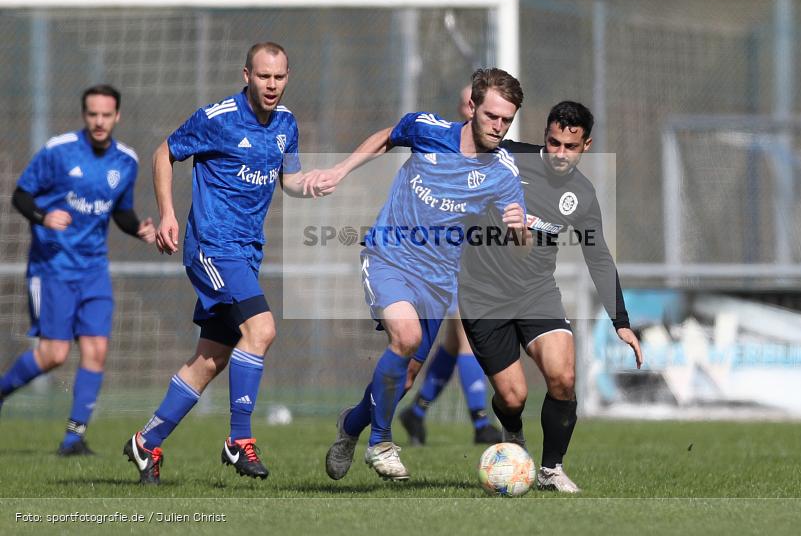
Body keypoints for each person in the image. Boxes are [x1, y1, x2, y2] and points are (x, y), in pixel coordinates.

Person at [310, 68, 528, 482]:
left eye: (507, 120)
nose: (498, 127)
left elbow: (522, 244)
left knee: (407, 376)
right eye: (491, 116)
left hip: (439, 280)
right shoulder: (429, 129)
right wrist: (340, 170)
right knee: (406, 337)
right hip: (389, 256)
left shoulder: (503, 171)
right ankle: (380, 442)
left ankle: (351, 425)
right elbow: (388, 136)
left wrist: (519, 231)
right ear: (472, 108)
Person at [123, 42, 314, 485]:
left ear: (288, 77)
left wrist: (317, 182)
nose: (272, 85)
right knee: (261, 329)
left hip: (246, 252)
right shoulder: (219, 118)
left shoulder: (286, 124)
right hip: (212, 246)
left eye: (279, 77)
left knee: (210, 359)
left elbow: (290, 181)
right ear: (246, 75)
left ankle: (147, 442)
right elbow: (164, 153)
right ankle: (239, 440)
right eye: (263, 76)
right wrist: (168, 214)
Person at [456, 100, 643, 493]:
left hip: (536, 292)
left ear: (586, 145)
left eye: (570, 147)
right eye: (553, 143)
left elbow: (598, 256)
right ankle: (511, 428)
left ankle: (551, 469)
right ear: (545, 136)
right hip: (483, 295)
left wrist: (621, 321)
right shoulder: (507, 158)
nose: (560, 153)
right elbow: (460, 148)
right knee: (513, 397)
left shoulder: (583, 195)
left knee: (563, 377)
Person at [0, 84, 155, 455]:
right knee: (54, 354)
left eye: (106, 115)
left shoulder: (126, 161)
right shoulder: (59, 150)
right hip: (53, 266)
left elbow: (121, 212)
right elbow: (21, 195)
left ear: (117, 116)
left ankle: (73, 438)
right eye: (93, 114)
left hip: (94, 269)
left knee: (96, 350)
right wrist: (43, 216)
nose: (99, 122)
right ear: (84, 115)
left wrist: (139, 228)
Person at [399, 83, 503, 446]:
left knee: (454, 342)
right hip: (445, 262)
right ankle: (480, 422)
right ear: (467, 109)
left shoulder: (495, 156)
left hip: (475, 260)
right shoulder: (444, 149)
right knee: (465, 337)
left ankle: (417, 412)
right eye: (469, 104)